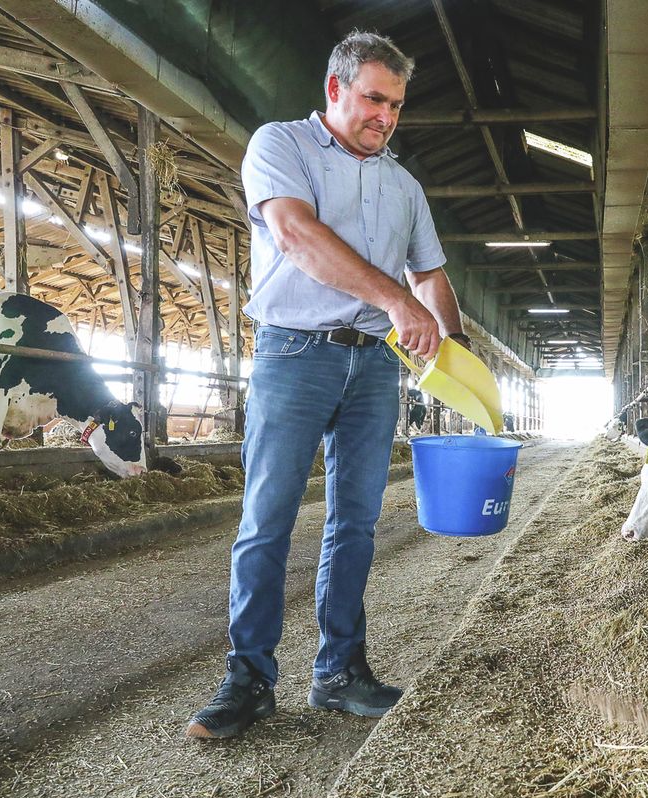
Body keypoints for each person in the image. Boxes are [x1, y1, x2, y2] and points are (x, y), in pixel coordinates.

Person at [186, 30, 472, 739]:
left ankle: (340, 672)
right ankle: (248, 677)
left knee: (356, 522)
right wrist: (397, 303)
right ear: (335, 89)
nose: (387, 116)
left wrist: (459, 354)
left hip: (375, 367)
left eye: (397, 105)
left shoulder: (403, 183)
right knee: (269, 518)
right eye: (374, 99)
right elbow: (296, 236)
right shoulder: (279, 145)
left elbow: (430, 275)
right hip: (294, 354)